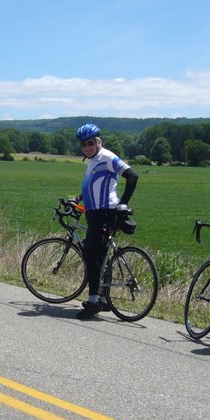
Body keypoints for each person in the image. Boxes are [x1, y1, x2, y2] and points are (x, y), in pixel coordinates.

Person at [75, 123, 139, 320]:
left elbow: (132, 176)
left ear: (98, 141)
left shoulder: (108, 157)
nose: (87, 147)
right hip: (94, 213)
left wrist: (123, 204)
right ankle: (104, 300)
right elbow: (92, 187)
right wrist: (77, 199)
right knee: (100, 257)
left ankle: (93, 301)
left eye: (90, 143)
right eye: (84, 144)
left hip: (105, 213)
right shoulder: (92, 160)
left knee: (90, 254)